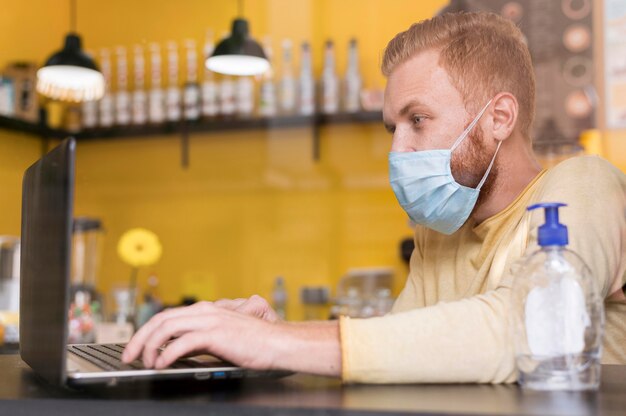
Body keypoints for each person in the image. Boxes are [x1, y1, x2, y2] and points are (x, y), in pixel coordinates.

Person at [122, 12, 626, 383]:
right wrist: (280, 344)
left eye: (417, 120)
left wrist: (275, 342)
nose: (397, 148)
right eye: (392, 127)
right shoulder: (439, 233)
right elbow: (402, 349)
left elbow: (532, 332)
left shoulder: (584, 185)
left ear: (499, 118)